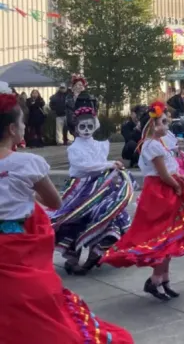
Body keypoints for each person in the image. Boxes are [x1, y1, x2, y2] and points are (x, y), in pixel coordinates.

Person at [0, 88, 134, 343]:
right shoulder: (27, 163)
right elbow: (54, 201)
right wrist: (26, 193)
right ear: (12, 130)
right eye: (22, 123)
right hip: (17, 246)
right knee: (33, 302)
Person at [101, 100, 184, 300]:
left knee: (168, 238)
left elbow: (169, 169)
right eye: (163, 123)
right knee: (161, 238)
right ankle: (155, 280)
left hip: (165, 190)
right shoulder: (151, 146)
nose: (166, 127)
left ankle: (163, 280)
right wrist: (177, 186)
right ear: (152, 125)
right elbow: (163, 174)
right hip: (160, 192)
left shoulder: (158, 143)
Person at [49, 104, 134, 276]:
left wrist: (111, 165)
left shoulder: (100, 145)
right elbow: (84, 166)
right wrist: (109, 164)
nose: (86, 130)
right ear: (76, 128)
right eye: (82, 126)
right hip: (80, 188)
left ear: (95, 125)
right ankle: (74, 256)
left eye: (89, 126)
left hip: (101, 186)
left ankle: (92, 256)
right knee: (74, 218)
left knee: (107, 216)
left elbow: (97, 164)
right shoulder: (74, 148)